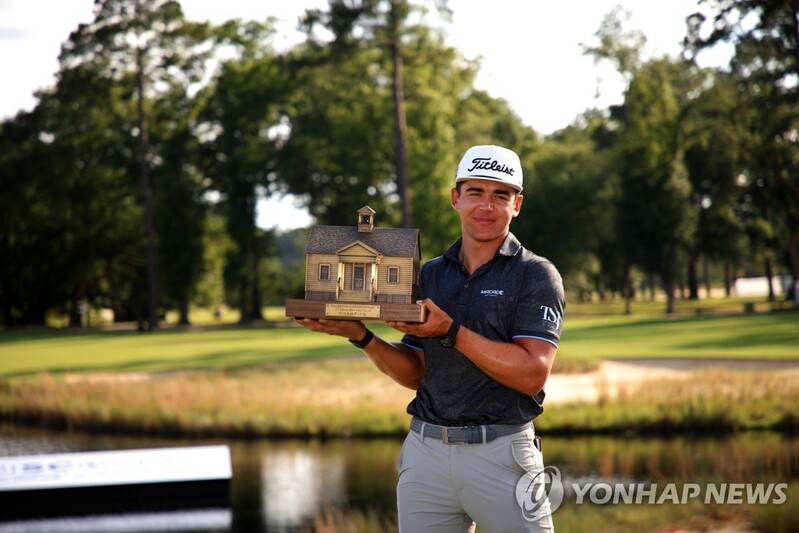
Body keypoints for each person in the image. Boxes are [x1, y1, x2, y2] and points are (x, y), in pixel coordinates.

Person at [296, 144, 565, 532]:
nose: (486, 206)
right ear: (456, 198)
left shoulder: (536, 275)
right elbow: (416, 373)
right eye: (475, 193)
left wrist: (451, 331)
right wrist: (361, 336)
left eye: (500, 195)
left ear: (517, 204)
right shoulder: (432, 274)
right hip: (426, 454)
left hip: (503, 453)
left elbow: (532, 374)